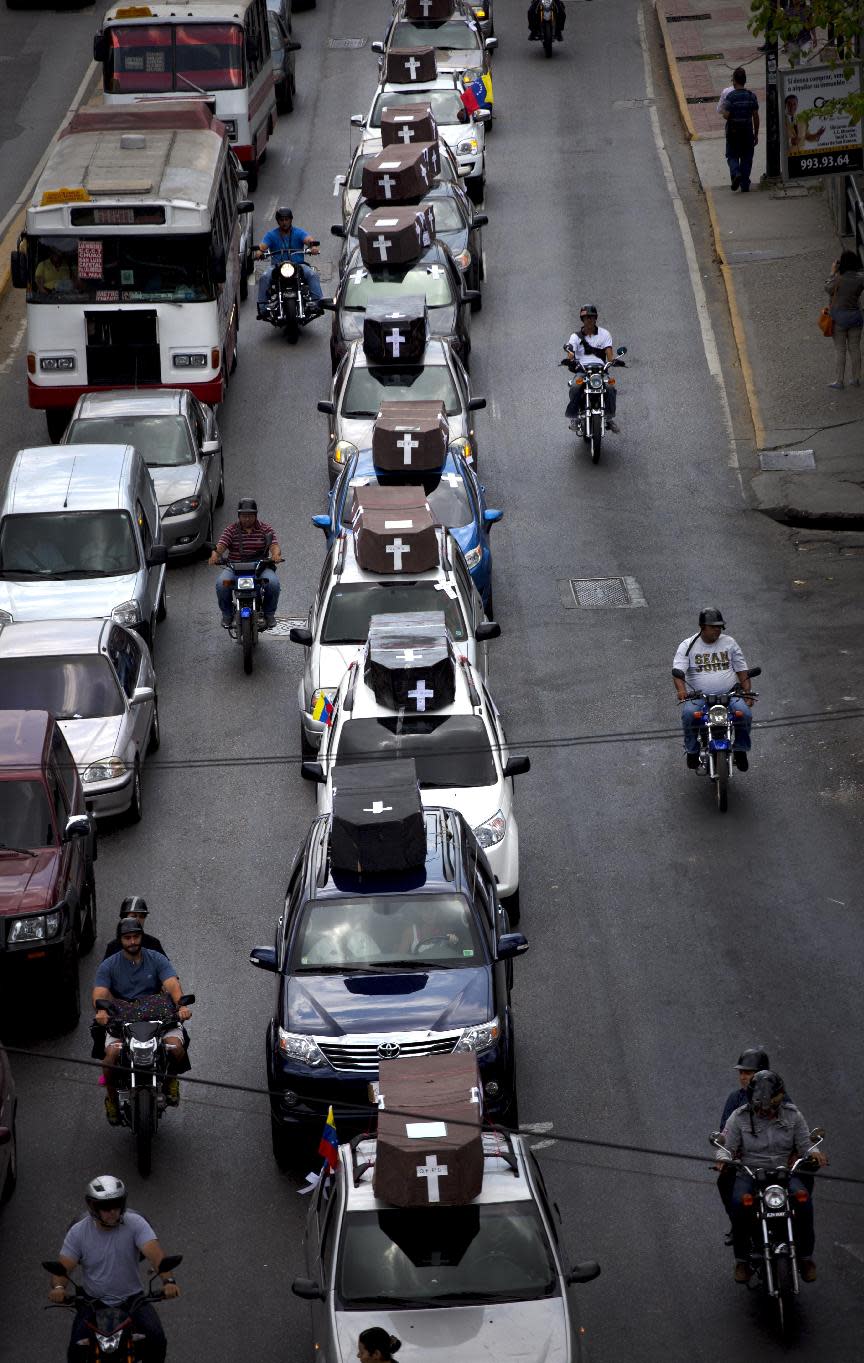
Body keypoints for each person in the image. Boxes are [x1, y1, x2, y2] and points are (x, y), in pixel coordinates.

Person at [47, 1174, 179, 1363]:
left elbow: (156, 1256)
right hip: (92, 1302)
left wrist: (169, 1281)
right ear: (93, 1207)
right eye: (106, 1207)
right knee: (76, 1350)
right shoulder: (78, 1233)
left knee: (157, 1339)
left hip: (133, 1300)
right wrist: (58, 1288)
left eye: (117, 1205)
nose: (113, 1212)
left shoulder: (136, 1224)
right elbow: (63, 1268)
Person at [719, 1071, 827, 1283]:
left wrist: (815, 1154)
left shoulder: (793, 1115)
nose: (766, 1110)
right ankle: (742, 1260)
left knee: (803, 1199)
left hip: (784, 1172)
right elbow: (726, 1147)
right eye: (761, 1105)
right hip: (750, 1172)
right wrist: (723, 1159)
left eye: (772, 1104)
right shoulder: (739, 1116)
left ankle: (806, 1257)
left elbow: (805, 1145)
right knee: (739, 1204)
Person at [93, 918, 193, 1122]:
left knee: (176, 1048)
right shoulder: (108, 965)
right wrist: (101, 1011)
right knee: (110, 1057)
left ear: (142, 937)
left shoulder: (156, 958)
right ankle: (111, 1100)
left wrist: (181, 1006)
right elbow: (100, 993)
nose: (132, 942)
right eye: (127, 938)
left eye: (136, 937)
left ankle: (171, 1081)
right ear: (120, 940)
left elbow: (172, 984)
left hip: (158, 1017)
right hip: (122, 1020)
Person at [672, 608, 755, 771]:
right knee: (689, 715)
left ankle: (740, 749)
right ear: (702, 626)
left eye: (720, 627)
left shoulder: (729, 643)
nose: (718, 630)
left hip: (730, 694)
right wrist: (681, 690)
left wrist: (747, 691)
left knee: (744, 714)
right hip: (699, 696)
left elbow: (742, 670)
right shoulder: (688, 645)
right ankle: (692, 750)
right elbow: (678, 672)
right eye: (713, 627)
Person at [209, 497, 283, 629]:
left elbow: (274, 545)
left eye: (250, 516)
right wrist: (214, 556)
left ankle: (269, 614)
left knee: (273, 584)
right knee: (222, 584)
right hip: (234, 567)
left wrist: (276, 555)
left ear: (255, 515)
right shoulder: (230, 530)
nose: (247, 519)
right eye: (244, 516)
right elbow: (220, 546)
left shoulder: (265, 529)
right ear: (239, 516)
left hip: (259, 567)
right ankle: (227, 614)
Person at [256, 207, 322, 316]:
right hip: (277, 266)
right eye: (281, 220)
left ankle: (317, 303)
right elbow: (262, 246)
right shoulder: (271, 235)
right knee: (264, 276)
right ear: (278, 221)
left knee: (312, 274)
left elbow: (308, 240)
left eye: (286, 219)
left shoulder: (298, 232)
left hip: (298, 265)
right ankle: (263, 308)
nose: (284, 222)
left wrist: (313, 246)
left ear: (291, 220)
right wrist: (259, 252)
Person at [564, 305, 619, 433]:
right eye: (586, 317)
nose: (589, 319)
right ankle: (575, 417)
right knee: (575, 387)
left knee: (611, 386)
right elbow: (570, 351)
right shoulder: (575, 336)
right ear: (582, 319)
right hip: (582, 370)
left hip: (600, 370)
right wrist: (570, 357)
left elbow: (609, 354)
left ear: (596, 318)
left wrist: (613, 361)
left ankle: (609, 417)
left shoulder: (604, 334)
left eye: (592, 317)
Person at [824, 250, 864, 390]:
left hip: (839, 319)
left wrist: (832, 272)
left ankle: (840, 381)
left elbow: (827, 288)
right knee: (855, 349)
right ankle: (856, 378)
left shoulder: (838, 279)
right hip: (855, 318)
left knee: (840, 350)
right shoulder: (860, 278)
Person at [720, 68, 759, 192]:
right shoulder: (751, 96)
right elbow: (756, 116)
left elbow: (726, 115)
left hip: (733, 131)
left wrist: (728, 114)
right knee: (747, 157)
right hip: (747, 131)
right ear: (745, 80)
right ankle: (745, 184)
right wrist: (756, 133)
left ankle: (736, 172)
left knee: (732, 155)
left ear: (735, 81)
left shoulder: (731, 97)